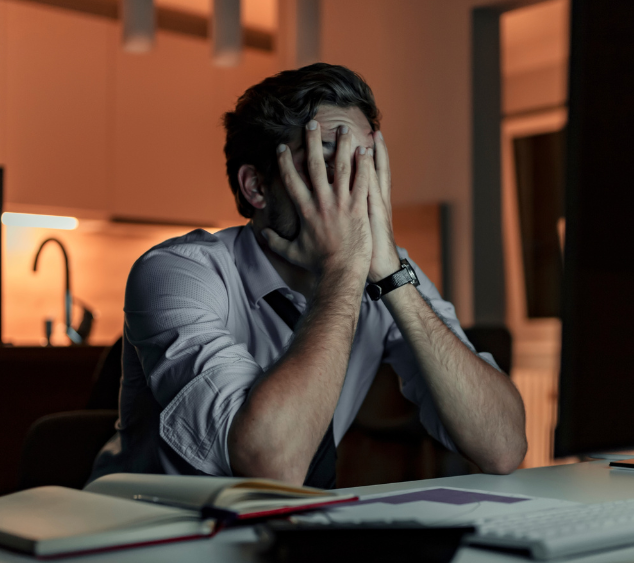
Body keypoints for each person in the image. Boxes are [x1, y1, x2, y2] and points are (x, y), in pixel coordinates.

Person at [90, 63, 527, 488]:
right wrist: (342, 270)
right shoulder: (178, 272)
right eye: (327, 165)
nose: (356, 192)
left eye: (366, 166)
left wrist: (393, 276)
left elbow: (503, 447)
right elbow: (271, 465)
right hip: (146, 534)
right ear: (257, 187)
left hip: (282, 537)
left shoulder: (386, 268)